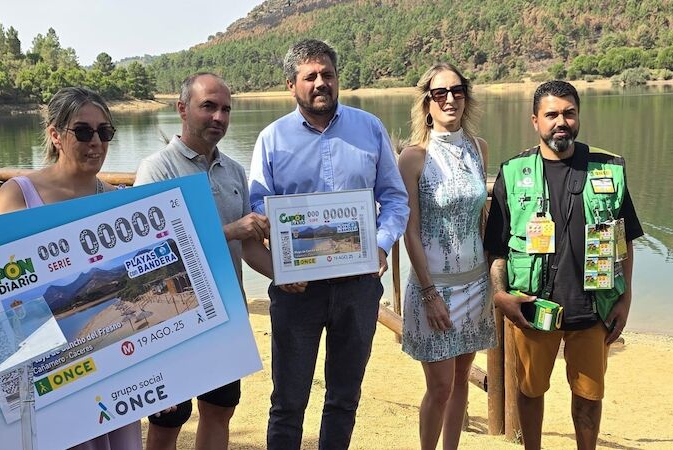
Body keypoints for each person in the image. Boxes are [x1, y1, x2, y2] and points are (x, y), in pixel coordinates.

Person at [249, 39, 409, 449]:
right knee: (288, 403)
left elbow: (395, 199)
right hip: (297, 290)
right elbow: (259, 207)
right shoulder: (271, 138)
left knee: (344, 398)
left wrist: (381, 244)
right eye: (310, 76)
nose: (321, 83)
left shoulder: (369, 128)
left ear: (338, 79)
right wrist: (282, 262)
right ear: (291, 84)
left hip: (358, 287)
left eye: (328, 74)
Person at [484, 80, 643, 450]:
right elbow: (496, 249)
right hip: (533, 306)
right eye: (552, 114)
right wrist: (500, 296)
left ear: (578, 117)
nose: (561, 122)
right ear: (535, 121)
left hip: (594, 306)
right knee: (529, 390)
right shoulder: (514, 172)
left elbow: (624, 240)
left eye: (569, 113)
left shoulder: (609, 168)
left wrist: (626, 298)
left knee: (589, 396)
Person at [0, 87, 142, 450]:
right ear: (55, 135)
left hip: (115, 374)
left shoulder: (117, 201)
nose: (96, 142)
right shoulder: (17, 195)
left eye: (104, 132)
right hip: (46, 371)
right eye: (83, 131)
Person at [134, 72, 272, 450]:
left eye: (225, 109)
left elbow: (250, 247)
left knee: (219, 411)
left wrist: (289, 274)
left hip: (226, 315)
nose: (219, 117)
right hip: (171, 322)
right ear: (182, 109)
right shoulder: (157, 169)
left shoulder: (235, 171)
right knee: (168, 421)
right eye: (208, 106)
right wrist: (229, 231)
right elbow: (150, 255)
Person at [398, 63, 497, 450]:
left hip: (475, 287)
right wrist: (429, 293)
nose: (450, 99)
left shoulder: (479, 148)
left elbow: (479, 216)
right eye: (440, 93)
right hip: (433, 289)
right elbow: (410, 231)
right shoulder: (414, 157)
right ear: (427, 102)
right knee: (439, 387)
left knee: (460, 383)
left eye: (458, 91)